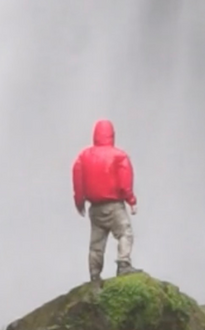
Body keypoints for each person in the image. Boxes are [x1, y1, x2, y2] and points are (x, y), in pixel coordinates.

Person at [72, 119, 140, 286]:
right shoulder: (119, 156)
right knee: (125, 233)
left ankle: (94, 275)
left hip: (95, 209)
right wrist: (131, 201)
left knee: (96, 243)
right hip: (114, 206)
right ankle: (123, 264)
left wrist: (79, 202)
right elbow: (125, 183)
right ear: (112, 135)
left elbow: (78, 180)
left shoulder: (84, 156)